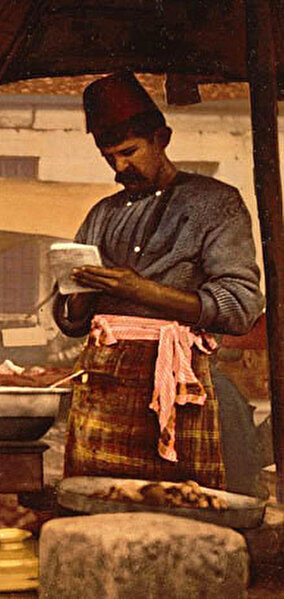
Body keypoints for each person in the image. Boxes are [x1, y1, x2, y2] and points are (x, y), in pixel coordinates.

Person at [52, 71, 264, 489]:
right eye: (108, 157)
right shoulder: (102, 214)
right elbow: (69, 320)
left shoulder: (213, 203)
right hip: (105, 386)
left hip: (182, 384)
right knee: (103, 499)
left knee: (184, 500)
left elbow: (241, 307)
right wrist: (77, 295)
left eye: (129, 152)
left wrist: (140, 290)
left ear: (161, 138)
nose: (119, 167)